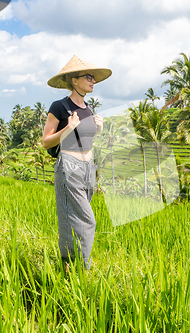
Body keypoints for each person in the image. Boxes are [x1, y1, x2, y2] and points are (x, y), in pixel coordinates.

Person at [42, 55, 112, 270]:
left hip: (88, 167)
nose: (93, 81)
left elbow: (83, 140)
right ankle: (82, 268)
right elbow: (46, 142)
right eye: (88, 77)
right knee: (85, 219)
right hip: (69, 166)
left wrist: (97, 130)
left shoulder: (88, 107)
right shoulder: (60, 106)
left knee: (78, 218)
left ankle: (71, 269)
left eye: (93, 78)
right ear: (74, 80)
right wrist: (68, 128)